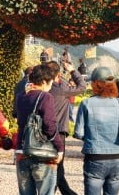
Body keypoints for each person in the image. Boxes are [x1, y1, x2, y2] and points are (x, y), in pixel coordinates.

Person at [74, 66, 119, 195]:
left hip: (95, 157)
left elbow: (79, 133)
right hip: (117, 157)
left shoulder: (87, 103)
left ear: (96, 83)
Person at [15, 64, 63, 195]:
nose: (51, 86)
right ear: (43, 81)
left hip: (21, 150)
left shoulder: (20, 96)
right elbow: (50, 125)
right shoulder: (45, 97)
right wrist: (60, 148)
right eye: (50, 82)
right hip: (42, 153)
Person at [46, 61, 86, 195]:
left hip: (43, 132)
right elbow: (82, 87)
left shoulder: (42, 89)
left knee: (50, 166)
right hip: (58, 132)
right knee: (58, 166)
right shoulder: (61, 90)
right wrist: (72, 70)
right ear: (57, 75)